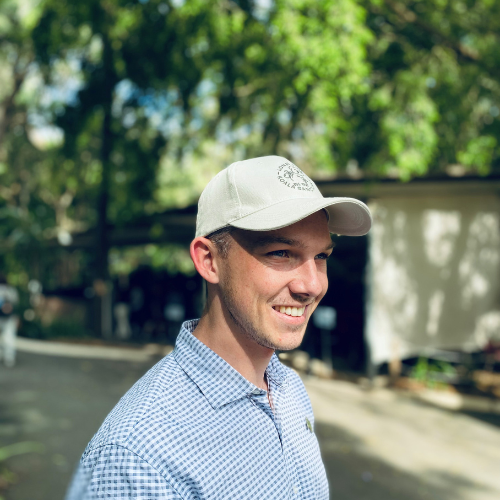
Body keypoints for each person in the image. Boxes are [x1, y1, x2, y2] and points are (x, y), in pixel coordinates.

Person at [66, 155, 371, 500]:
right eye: (281, 253)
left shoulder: (288, 388)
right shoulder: (137, 457)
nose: (312, 285)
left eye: (321, 257)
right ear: (209, 260)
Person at [0, 274, 19, 368]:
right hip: (9, 318)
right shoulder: (11, 290)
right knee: (9, 338)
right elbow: (15, 303)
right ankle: (9, 358)